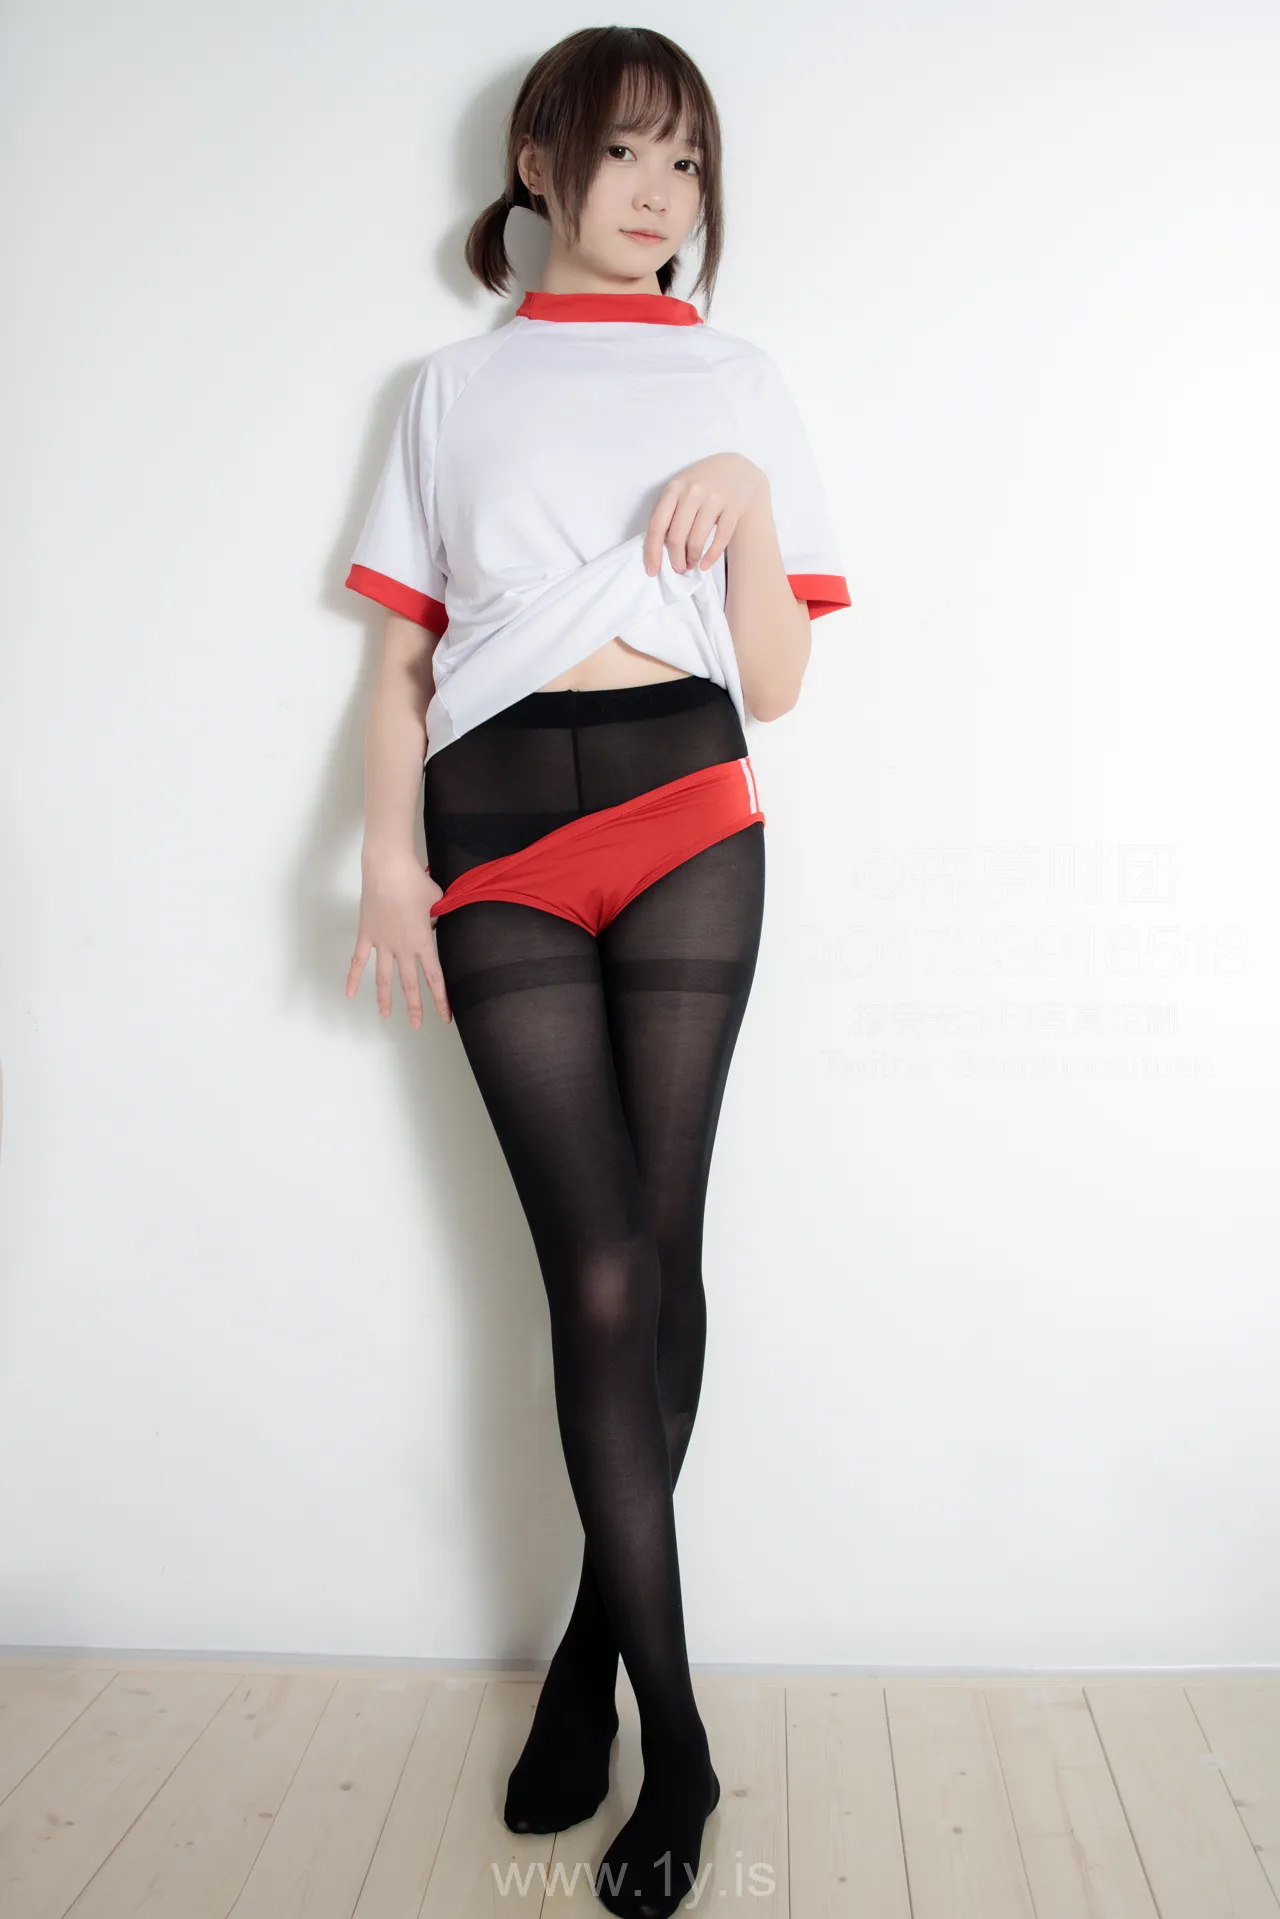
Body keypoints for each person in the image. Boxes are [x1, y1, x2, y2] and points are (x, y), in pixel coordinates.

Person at [343, 27, 848, 1918]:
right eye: (629, 152)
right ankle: (663, 1718)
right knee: (602, 1265)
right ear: (541, 163)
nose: (661, 193)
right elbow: (401, 661)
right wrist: (388, 861)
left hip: (688, 808)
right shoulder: (450, 389)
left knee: (660, 1245)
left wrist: (748, 494)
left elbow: (778, 681)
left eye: (689, 162)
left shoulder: (739, 380)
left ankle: (606, 1674)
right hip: (494, 836)